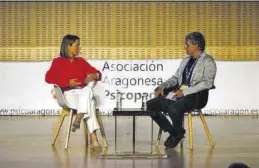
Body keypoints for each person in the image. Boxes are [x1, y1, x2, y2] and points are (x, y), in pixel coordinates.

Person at [147, 32, 217, 149]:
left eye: (187, 45)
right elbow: (175, 78)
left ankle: (176, 134)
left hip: (195, 96)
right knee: (151, 105)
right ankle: (176, 133)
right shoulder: (185, 60)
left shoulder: (208, 61)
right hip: (178, 93)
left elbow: (207, 83)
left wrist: (185, 92)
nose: (185, 47)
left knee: (173, 108)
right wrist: (162, 86)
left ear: (197, 45)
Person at [45, 34, 102, 151]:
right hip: (68, 95)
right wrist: (67, 83)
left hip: (82, 93)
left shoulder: (81, 61)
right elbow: (48, 78)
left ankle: (80, 116)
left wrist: (95, 75)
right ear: (68, 46)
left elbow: (97, 73)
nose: (79, 48)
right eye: (77, 45)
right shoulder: (58, 62)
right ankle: (94, 139)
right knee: (90, 102)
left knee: (88, 90)